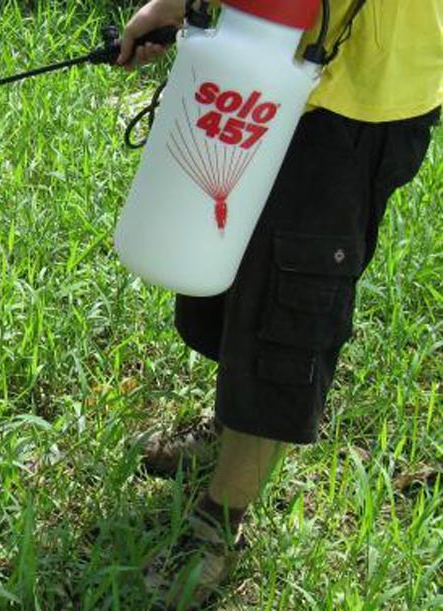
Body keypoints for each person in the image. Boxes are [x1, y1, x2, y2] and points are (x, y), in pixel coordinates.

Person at [115, 0, 442, 608]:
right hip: (260, 49)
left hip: (354, 101)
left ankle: (220, 519)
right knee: (223, 262)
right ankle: (227, 429)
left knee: (287, 312)